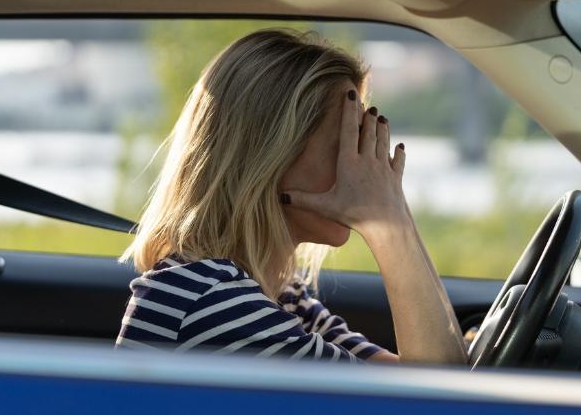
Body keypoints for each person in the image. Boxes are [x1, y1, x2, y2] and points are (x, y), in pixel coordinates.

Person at [116, 29, 466, 364]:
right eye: (346, 146)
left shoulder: (280, 294)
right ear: (271, 158)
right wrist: (387, 222)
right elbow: (437, 397)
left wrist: (392, 205)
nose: (365, 168)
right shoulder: (212, 303)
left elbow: (422, 373)